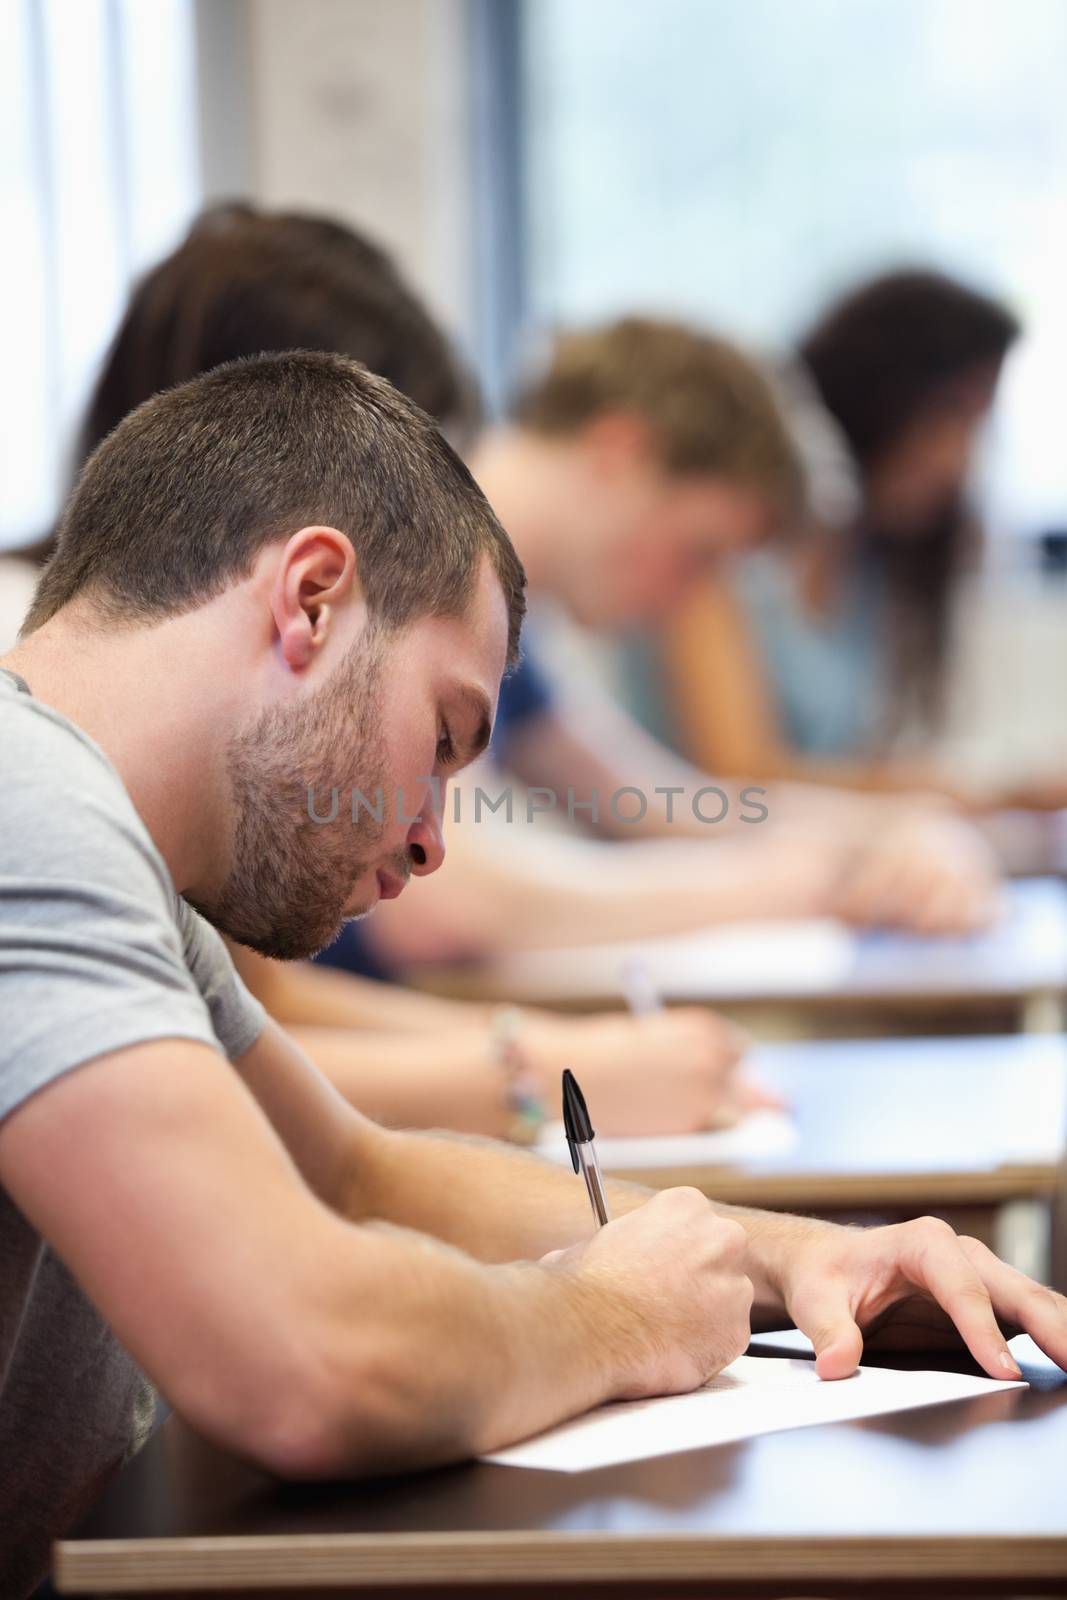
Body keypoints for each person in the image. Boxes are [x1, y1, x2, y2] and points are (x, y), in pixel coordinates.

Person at [2, 350, 1064, 1599]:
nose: (430, 841)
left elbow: (354, 1173)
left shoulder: (110, 842)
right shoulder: (33, 811)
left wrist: (788, 1259)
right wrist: (613, 1317)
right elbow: (304, 1356)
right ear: (310, 600)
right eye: (442, 738)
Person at [62, 203, 763, 1138]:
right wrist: (549, 1069)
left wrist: (548, 1059)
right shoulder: (69, 723)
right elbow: (222, 1078)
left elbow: (251, 1029)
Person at [660, 269, 1022, 800]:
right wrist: (974, 797)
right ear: (880, 394)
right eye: (951, 414)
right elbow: (737, 776)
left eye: (977, 426)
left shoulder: (871, 572)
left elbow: (846, 771)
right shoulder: (719, 548)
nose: (961, 460)